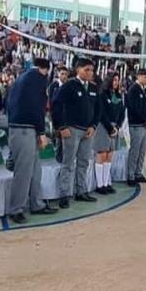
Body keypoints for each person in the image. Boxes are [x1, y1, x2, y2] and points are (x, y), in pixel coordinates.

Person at [6, 58, 57, 224]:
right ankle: (16, 209)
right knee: (24, 171)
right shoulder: (38, 79)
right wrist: (42, 132)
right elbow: (37, 107)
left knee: (35, 169)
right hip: (25, 128)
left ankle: (36, 203)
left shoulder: (22, 77)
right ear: (46, 69)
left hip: (19, 126)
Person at [52, 58, 98, 208]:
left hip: (88, 131)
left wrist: (94, 125)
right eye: (87, 70)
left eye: (92, 70)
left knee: (84, 162)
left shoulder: (93, 87)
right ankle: (64, 194)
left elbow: (99, 108)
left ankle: (81, 191)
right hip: (72, 129)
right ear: (78, 70)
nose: (90, 73)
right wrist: (61, 126)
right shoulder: (70, 85)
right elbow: (56, 104)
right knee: (68, 162)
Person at [95, 73, 124, 194]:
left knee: (109, 155)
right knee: (102, 154)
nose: (116, 82)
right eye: (114, 80)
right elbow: (101, 113)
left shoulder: (118, 95)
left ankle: (107, 183)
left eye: (118, 80)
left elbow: (122, 113)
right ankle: (99, 184)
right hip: (103, 127)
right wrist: (109, 128)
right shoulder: (102, 95)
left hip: (114, 127)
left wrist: (117, 126)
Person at [126, 68, 146, 187]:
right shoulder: (133, 90)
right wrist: (144, 120)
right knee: (135, 151)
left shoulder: (145, 91)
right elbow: (133, 108)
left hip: (144, 125)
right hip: (136, 124)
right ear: (139, 76)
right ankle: (131, 175)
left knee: (142, 151)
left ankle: (138, 172)